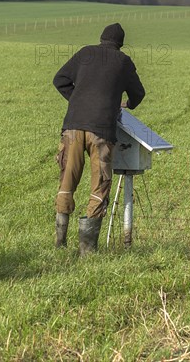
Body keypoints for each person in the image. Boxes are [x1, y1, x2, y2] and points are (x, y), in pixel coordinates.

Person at [52, 23, 145, 255]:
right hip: (102, 130)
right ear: (120, 44)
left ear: (101, 38)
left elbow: (59, 79)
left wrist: (77, 101)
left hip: (73, 126)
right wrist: (127, 104)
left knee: (67, 181)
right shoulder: (123, 62)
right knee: (99, 184)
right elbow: (138, 93)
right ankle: (87, 251)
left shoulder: (85, 52)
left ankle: (60, 244)